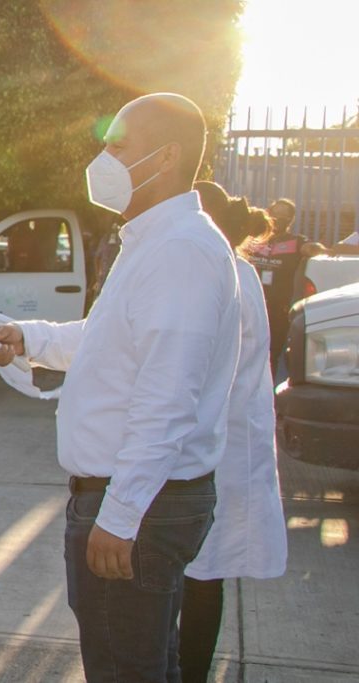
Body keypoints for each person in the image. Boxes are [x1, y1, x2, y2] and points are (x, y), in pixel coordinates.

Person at [0, 93, 241, 682]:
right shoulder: (154, 241)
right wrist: (29, 338)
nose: (103, 159)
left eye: (118, 146)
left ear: (167, 156)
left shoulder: (180, 250)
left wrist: (121, 516)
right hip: (136, 499)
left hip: (140, 505)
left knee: (126, 671)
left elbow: (167, 400)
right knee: (145, 664)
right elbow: (107, 338)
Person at [179, 182, 287, 683]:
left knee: (198, 576)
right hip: (224, 449)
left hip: (215, 451)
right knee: (202, 574)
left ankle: (187, 674)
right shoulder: (237, 271)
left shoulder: (220, 275)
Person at [244, 198, 327, 371]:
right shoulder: (253, 239)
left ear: (291, 220)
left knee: (270, 355)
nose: (277, 219)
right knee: (243, 351)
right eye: (274, 213)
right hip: (248, 303)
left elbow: (312, 248)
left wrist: (318, 249)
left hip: (277, 309)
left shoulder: (295, 242)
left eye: (284, 215)